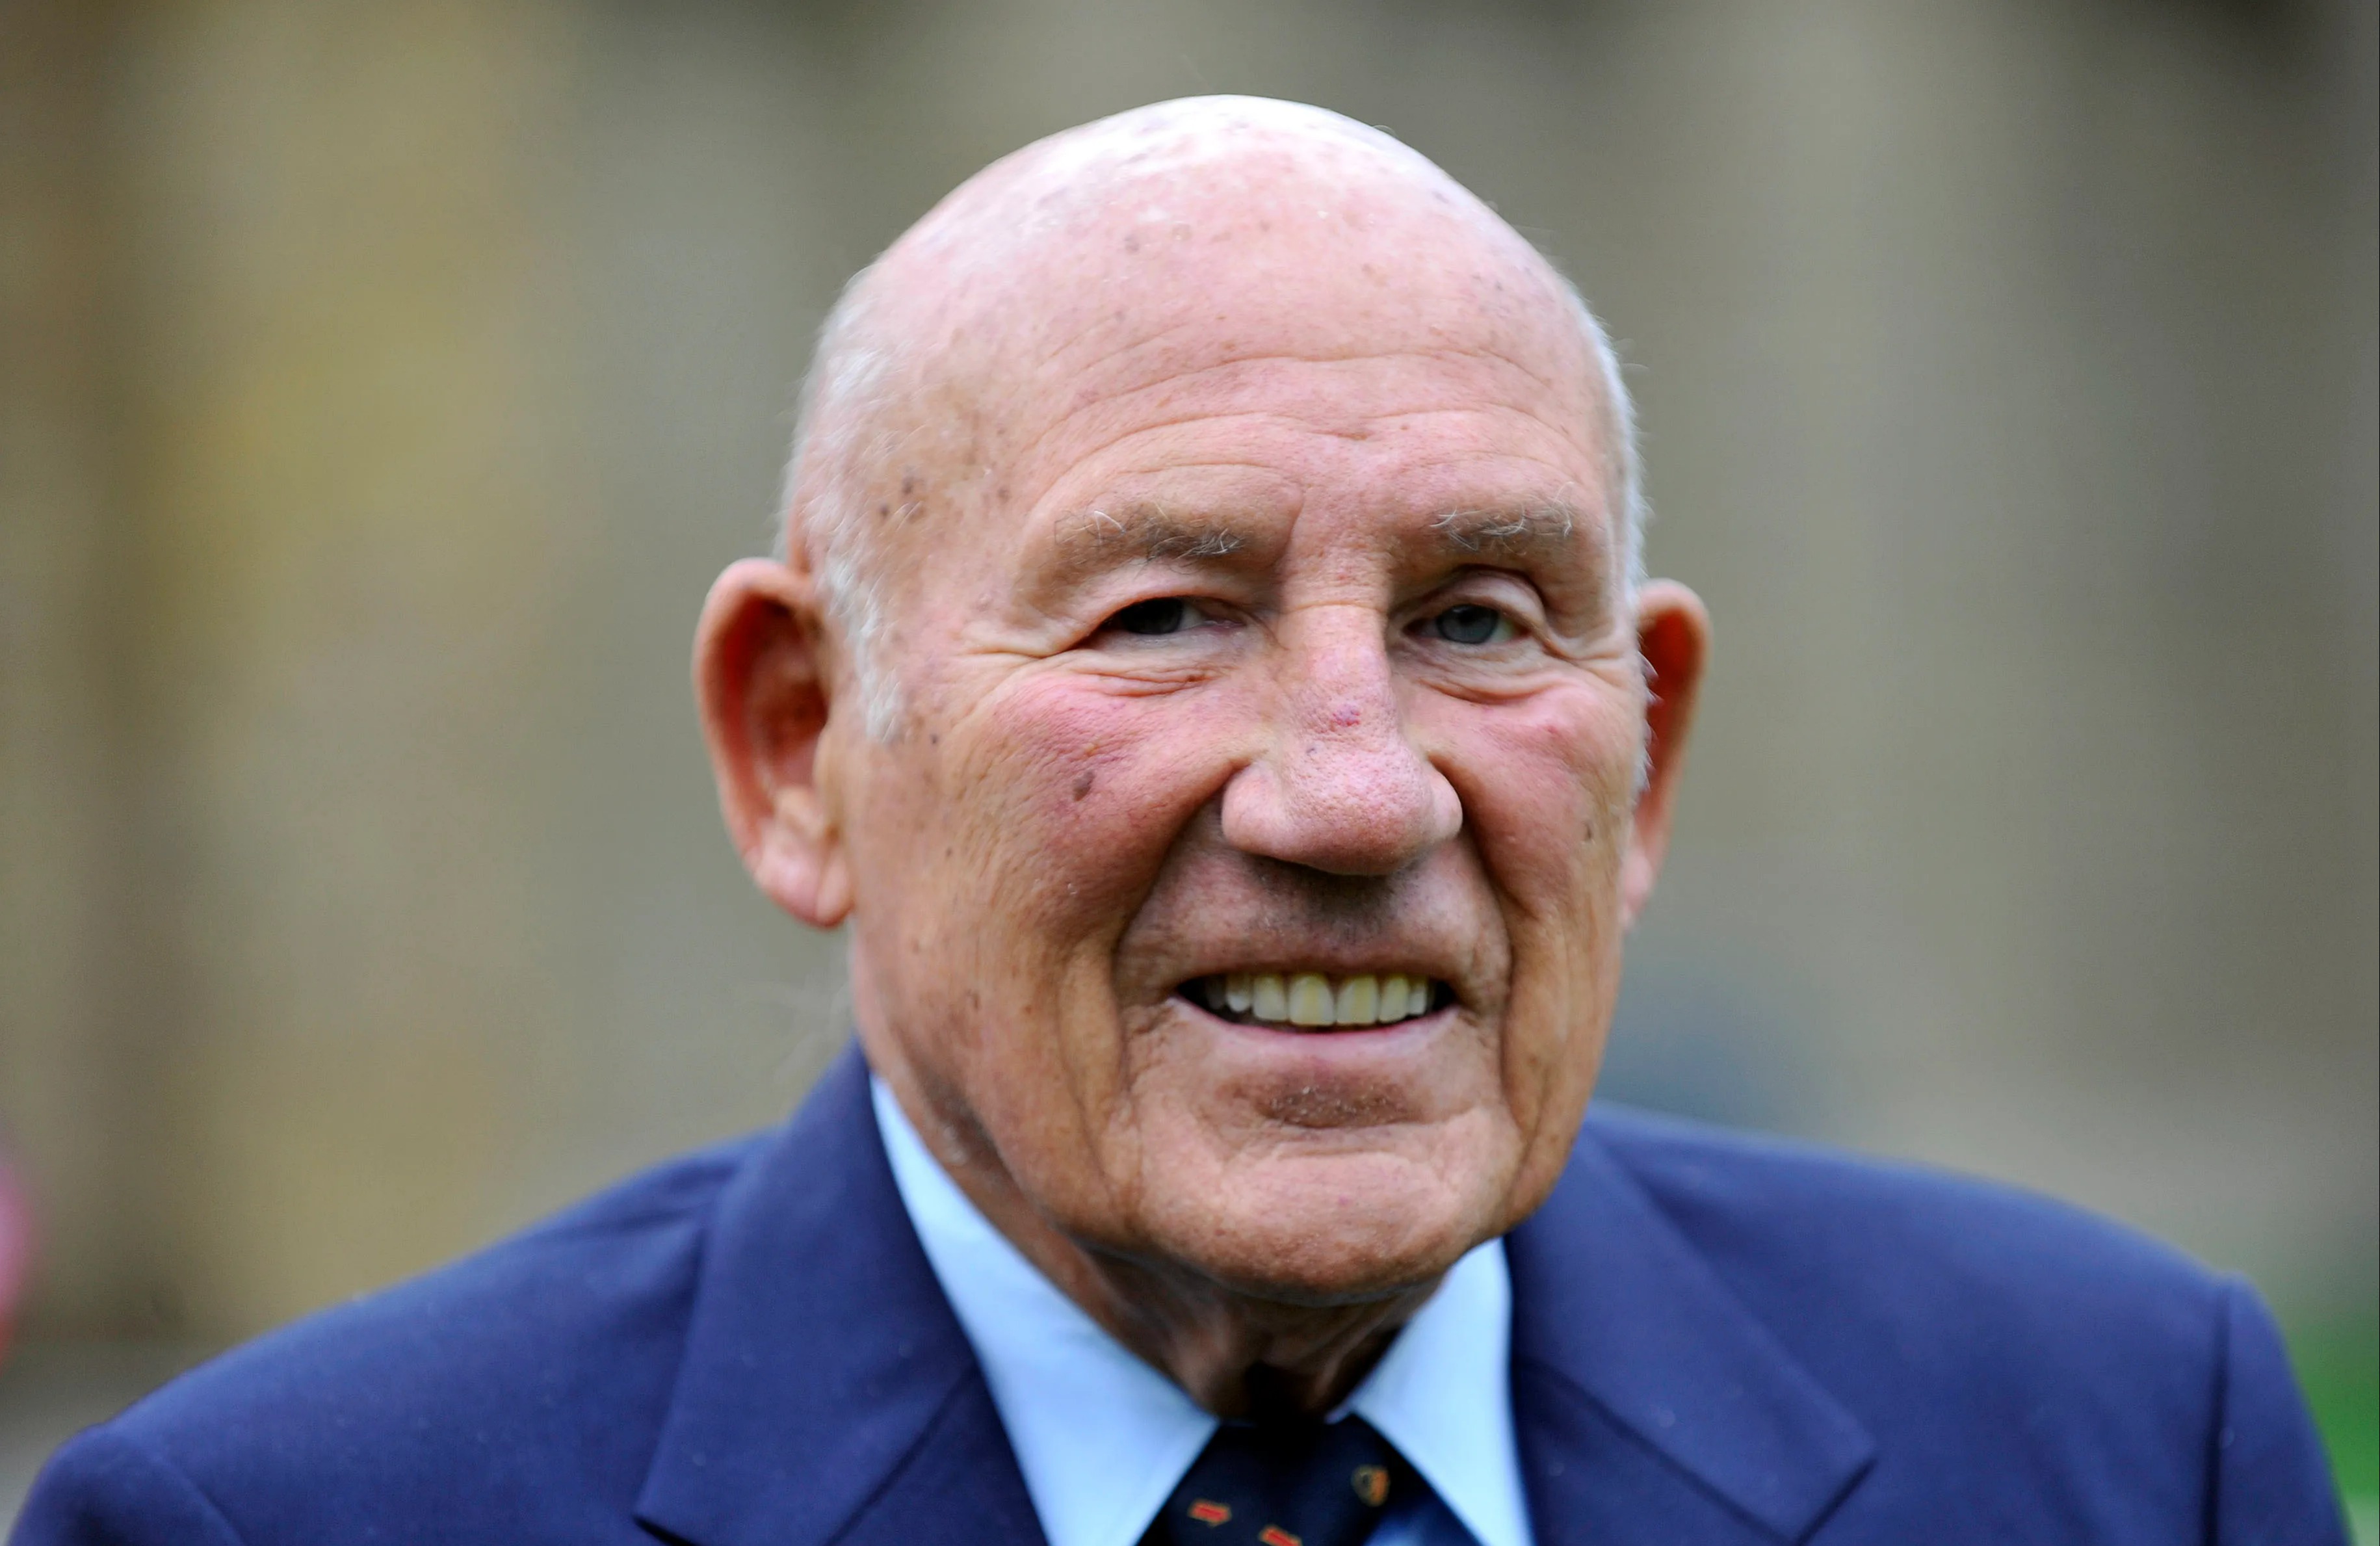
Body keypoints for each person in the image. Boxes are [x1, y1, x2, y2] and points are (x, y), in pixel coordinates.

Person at [13, 96, 2346, 1546]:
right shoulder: (286, 1524)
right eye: (1164, 615)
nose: (1354, 786)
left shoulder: (2125, 1445)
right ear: (799, 743)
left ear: (1645, 752)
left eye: (1477, 618)